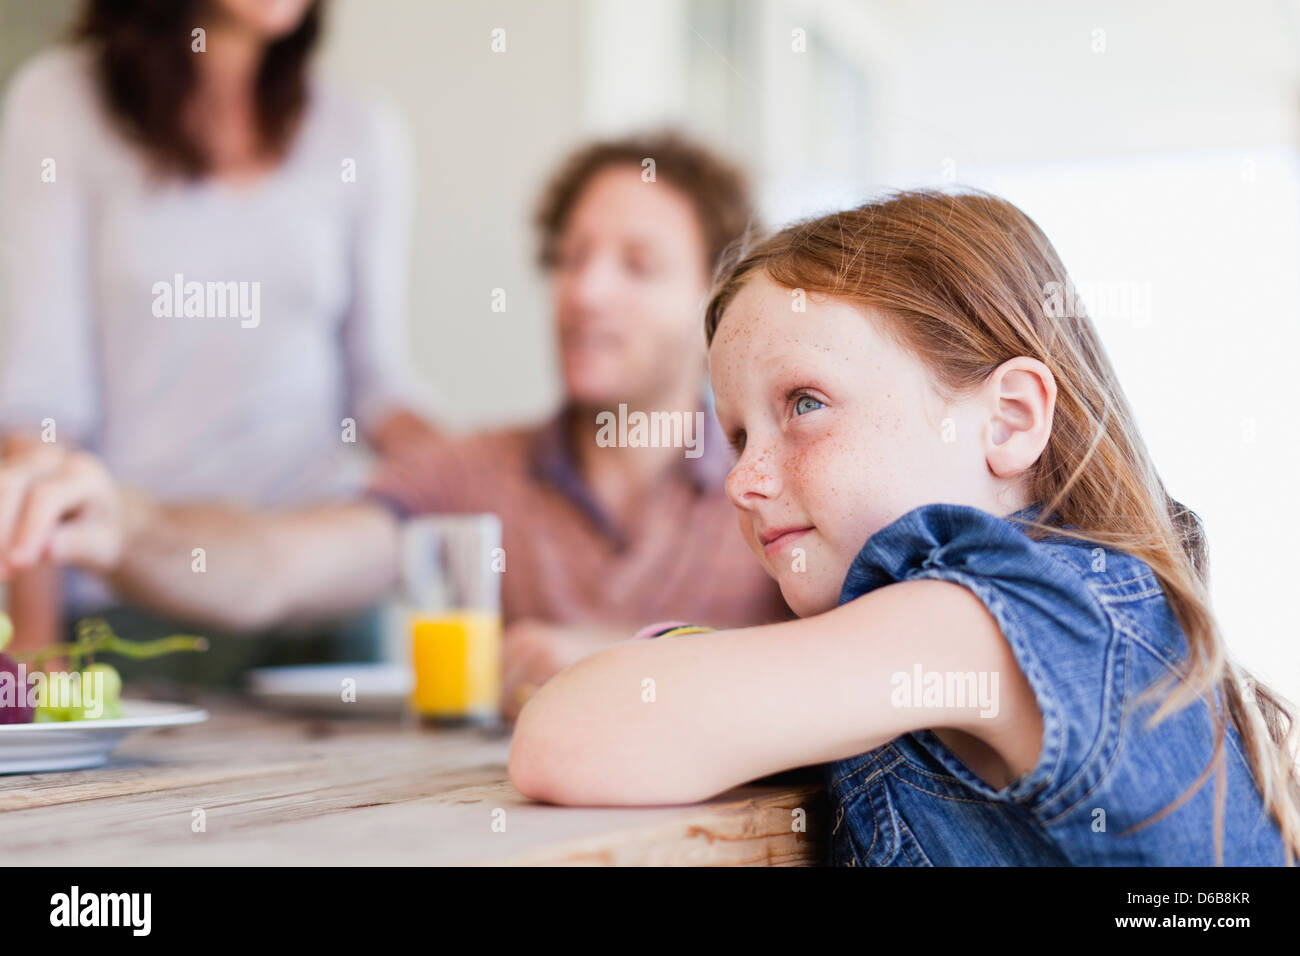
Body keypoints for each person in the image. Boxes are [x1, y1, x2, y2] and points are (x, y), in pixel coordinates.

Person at [504, 189, 1300, 866]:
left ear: (1008, 420)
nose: (743, 481)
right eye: (739, 435)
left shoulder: (997, 616)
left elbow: (563, 741)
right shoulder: (1032, 614)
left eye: (805, 405)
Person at [0, 131, 790, 708]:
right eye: (572, 258)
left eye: (637, 265)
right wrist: (127, 527)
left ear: (712, 304)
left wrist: (627, 661)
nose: (585, 292)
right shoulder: (475, 471)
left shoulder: (773, 481)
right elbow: (275, 565)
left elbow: (866, 660)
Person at [0, 0, 437, 662]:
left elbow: (376, 387)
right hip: (136, 607)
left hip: (322, 608)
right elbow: (40, 406)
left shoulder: (359, 132)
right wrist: (34, 645)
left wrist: (494, 477)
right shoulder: (60, 102)